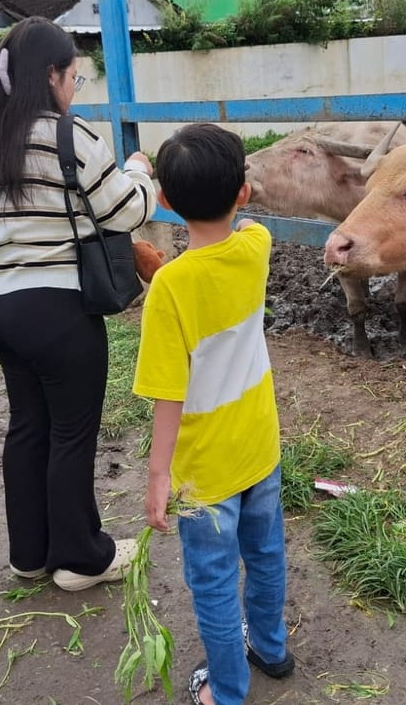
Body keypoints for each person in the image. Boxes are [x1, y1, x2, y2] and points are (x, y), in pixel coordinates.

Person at [0, 16, 157, 591]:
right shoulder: (70, 135)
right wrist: (139, 172)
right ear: (51, 75)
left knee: (28, 426)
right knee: (72, 431)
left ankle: (30, 553)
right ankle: (81, 559)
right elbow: (127, 210)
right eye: (74, 77)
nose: (74, 88)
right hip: (57, 308)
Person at [132, 123, 293, 705]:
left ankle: (225, 691)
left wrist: (158, 475)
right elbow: (247, 226)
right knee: (266, 555)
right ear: (243, 191)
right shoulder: (256, 247)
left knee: (214, 581)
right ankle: (271, 649)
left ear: (164, 200)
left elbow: (168, 394)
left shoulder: (170, 286)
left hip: (204, 471)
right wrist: (237, 205)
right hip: (260, 445)